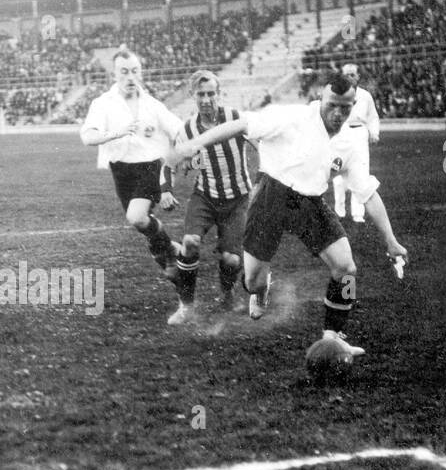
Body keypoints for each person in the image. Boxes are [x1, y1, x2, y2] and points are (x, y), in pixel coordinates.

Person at [166, 73, 407, 360]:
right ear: (321, 98)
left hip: (311, 204)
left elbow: (368, 193)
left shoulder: (349, 142)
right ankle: (260, 288)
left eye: (347, 107)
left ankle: (333, 337)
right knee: (253, 281)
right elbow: (241, 124)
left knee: (346, 268)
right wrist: (195, 144)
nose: (339, 113)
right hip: (271, 198)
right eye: (333, 105)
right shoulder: (291, 117)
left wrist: (391, 241)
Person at [80, 49, 183, 286]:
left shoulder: (151, 104)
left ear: (141, 73)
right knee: (140, 221)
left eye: (134, 71)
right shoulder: (103, 103)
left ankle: (167, 253)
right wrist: (116, 133)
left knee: (136, 217)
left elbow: (177, 128)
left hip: (150, 167)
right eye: (124, 72)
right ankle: (170, 250)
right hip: (121, 171)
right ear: (115, 74)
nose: (130, 77)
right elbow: (88, 136)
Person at [168, 70, 255, 326]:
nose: (206, 99)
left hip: (238, 198)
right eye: (201, 94)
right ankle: (185, 305)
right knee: (190, 242)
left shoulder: (234, 117)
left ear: (219, 93)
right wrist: (165, 190)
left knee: (231, 260)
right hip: (205, 196)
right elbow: (170, 161)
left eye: (211, 93)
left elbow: (260, 143)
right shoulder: (187, 128)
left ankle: (227, 294)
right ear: (193, 96)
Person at [332, 62, 381, 223]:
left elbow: (373, 116)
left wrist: (374, 132)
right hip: (341, 132)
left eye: (353, 74)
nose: (350, 78)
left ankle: (357, 213)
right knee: (337, 173)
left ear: (358, 77)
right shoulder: (336, 94)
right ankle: (339, 210)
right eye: (347, 75)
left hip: (359, 133)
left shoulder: (365, 96)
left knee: (360, 173)